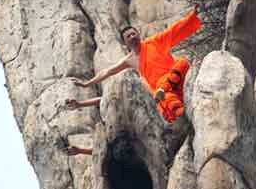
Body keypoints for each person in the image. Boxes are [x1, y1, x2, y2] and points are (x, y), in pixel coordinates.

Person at [66, 7, 203, 126]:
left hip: (177, 77)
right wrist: (86, 84)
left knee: (182, 62)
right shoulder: (129, 60)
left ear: (138, 34)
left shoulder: (154, 42)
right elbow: (107, 72)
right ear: (125, 43)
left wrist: (193, 16)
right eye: (128, 36)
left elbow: (174, 31)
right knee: (167, 103)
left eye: (134, 33)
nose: (132, 36)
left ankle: (164, 89)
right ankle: (181, 111)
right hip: (164, 91)